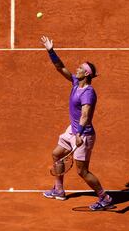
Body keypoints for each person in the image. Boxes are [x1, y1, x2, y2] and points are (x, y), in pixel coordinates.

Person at [41, 35, 113, 211]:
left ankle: (105, 197)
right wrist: (51, 51)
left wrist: (79, 134)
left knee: (82, 171)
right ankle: (59, 190)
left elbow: (86, 115)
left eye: (80, 68)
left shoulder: (88, 92)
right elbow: (60, 67)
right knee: (57, 154)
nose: (77, 69)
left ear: (86, 74)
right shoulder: (75, 83)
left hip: (83, 135)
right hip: (72, 131)